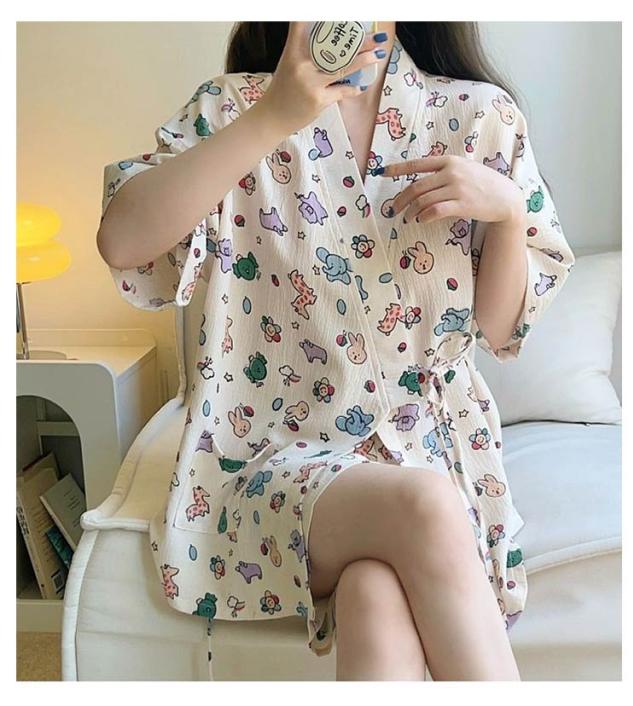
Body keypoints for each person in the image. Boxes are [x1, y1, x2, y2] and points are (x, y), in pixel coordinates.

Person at [97, 21, 574, 681]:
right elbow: (122, 243)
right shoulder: (232, 107)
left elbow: (498, 329)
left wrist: (510, 214)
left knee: (374, 592)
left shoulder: (478, 115)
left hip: (429, 451)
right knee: (424, 507)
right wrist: (273, 116)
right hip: (269, 457)